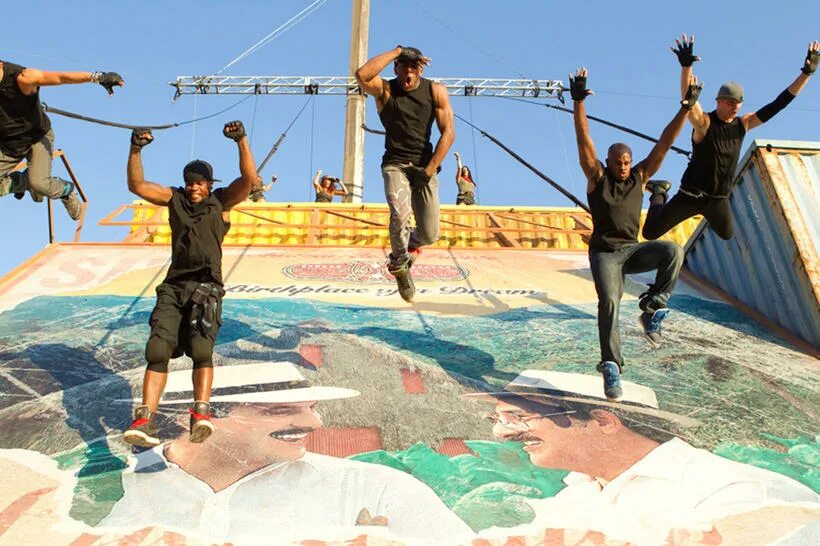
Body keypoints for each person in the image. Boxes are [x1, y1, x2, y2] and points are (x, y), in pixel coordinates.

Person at [104, 362, 474, 544]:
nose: (312, 423)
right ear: (191, 420)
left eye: (310, 407)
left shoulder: (378, 491)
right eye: (279, 410)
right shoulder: (105, 487)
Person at [475, 370, 820, 545]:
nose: (502, 434)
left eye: (519, 418)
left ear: (603, 421)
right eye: (499, 420)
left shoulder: (731, 489)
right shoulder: (574, 498)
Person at [122, 120, 257, 448]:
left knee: (200, 350)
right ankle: (145, 419)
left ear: (209, 184)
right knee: (157, 350)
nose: (194, 187)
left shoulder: (221, 203)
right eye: (190, 182)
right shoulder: (175, 199)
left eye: (199, 183)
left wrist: (241, 141)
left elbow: (249, 181)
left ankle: (200, 412)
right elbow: (137, 186)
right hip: (174, 286)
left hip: (206, 288)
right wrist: (136, 148)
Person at [571, 67, 698, 400]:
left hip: (632, 250)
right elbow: (584, 142)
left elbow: (665, 143)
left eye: (627, 161)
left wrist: (685, 108)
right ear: (610, 162)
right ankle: (611, 366)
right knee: (609, 302)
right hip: (605, 255)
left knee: (673, 251)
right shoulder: (598, 178)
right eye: (619, 162)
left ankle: (653, 306)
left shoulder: (640, 176)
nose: (624, 166)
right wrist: (578, 102)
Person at [642, 37, 820, 241]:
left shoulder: (743, 124)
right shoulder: (705, 123)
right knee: (650, 233)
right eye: (729, 102)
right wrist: (686, 67)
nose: (734, 106)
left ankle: (701, 209)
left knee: (726, 234)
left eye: (738, 103)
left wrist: (806, 74)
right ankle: (658, 191)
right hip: (690, 196)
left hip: (717, 200)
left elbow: (778, 104)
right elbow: (689, 102)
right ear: (718, 102)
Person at [355, 46, 455, 302]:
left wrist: (429, 170)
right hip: (396, 164)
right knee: (400, 213)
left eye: (413, 67)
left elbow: (449, 133)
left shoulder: (435, 91)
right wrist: (397, 50)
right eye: (403, 66)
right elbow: (362, 75)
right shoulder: (386, 90)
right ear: (395, 68)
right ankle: (400, 265)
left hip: (424, 166)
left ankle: (407, 243)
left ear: (420, 69)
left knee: (430, 234)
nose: (409, 72)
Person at [0, 60, 123, 220]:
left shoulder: (24, 78)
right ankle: (22, 182)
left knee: (40, 184)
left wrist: (97, 77)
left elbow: (61, 78)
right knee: (30, 183)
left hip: (37, 137)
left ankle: (66, 190)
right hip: (9, 145)